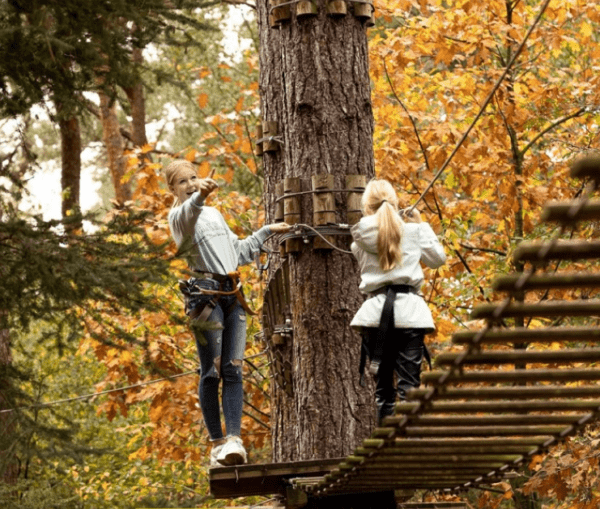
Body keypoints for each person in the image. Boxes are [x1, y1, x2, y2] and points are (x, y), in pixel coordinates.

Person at [164, 160, 290, 466]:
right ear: (172, 189)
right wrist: (200, 195)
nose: (191, 184)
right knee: (211, 371)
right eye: (183, 181)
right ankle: (217, 443)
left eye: (194, 178)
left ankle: (234, 441)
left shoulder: (214, 214)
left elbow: (240, 252)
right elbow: (190, 210)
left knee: (233, 369)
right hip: (204, 298)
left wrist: (265, 231)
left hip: (232, 295)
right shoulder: (178, 217)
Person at [350, 179, 446, 425]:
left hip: (374, 315)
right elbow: (437, 259)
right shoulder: (413, 233)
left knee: (383, 390)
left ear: (367, 208)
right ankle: (409, 448)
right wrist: (420, 225)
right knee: (410, 387)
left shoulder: (358, 243)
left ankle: (385, 446)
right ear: (394, 203)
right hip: (410, 314)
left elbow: (384, 237)